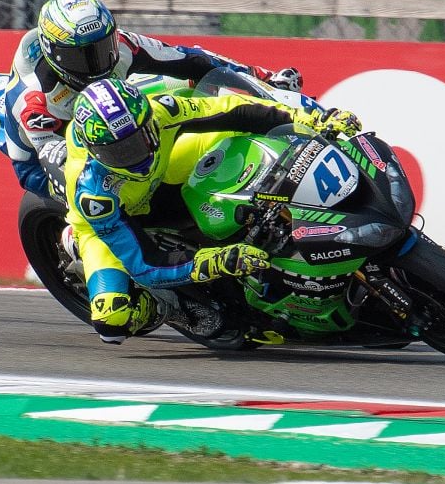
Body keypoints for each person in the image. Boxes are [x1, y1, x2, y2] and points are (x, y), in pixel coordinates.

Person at [65, 76, 362, 345]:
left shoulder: (160, 111)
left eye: (139, 140)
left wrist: (311, 120)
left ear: (148, 121)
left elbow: (232, 108)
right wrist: (216, 261)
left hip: (165, 168)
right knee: (111, 322)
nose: (135, 156)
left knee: (233, 135)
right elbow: (145, 263)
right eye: (119, 152)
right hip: (111, 223)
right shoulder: (93, 193)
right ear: (97, 152)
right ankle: (168, 306)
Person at [3, 0, 303, 198]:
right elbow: (54, 166)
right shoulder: (36, 101)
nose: (99, 62)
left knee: (178, 87)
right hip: (45, 149)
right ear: (56, 55)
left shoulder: (122, 46)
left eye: (102, 48)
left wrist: (261, 77)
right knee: (94, 190)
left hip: (106, 110)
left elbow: (190, 59)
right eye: (83, 57)